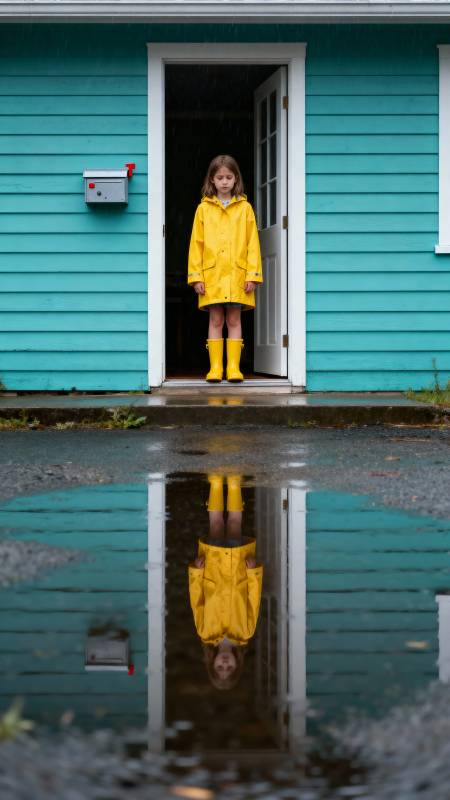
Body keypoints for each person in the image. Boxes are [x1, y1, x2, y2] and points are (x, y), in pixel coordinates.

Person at [187, 155, 263, 383]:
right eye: (219, 177)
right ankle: (215, 368)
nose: (224, 182)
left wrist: (253, 274)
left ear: (236, 178)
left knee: (234, 320)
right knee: (215, 321)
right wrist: (196, 276)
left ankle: (233, 368)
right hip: (212, 276)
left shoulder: (245, 208)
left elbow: (252, 243)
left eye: (229, 177)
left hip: (238, 275)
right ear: (212, 179)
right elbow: (196, 244)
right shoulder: (203, 209)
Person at [188, 474, 263, 691]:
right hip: (239, 571)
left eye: (219, 669)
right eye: (228, 669)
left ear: (211, 663)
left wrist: (196, 572)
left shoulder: (205, 632)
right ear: (237, 664)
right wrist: (253, 573)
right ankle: (234, 484)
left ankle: (215, 484)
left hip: (212, 572)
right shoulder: (245, 632)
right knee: (234, 525)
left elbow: (196, 600)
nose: (224, 665)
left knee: (216, 526)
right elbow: (253, 599)